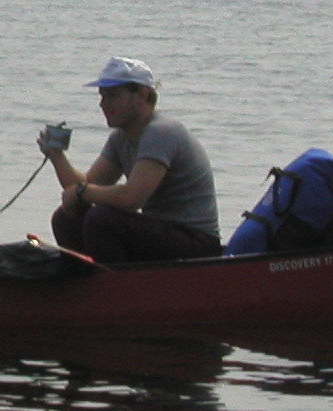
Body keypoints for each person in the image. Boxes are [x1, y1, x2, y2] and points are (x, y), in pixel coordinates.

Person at [41, 56, 221, 263]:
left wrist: (81, 192)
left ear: (142, 95)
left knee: (102, 220)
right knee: (66, 218)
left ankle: (113, 281)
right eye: (102, 96)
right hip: (162, 233)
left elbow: (132, 199)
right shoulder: (121, 137)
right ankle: (84, 278)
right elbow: (84, 185)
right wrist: (57, 157)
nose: (103, 104)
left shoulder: (161, 132)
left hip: (196, 241)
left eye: (112, 96)